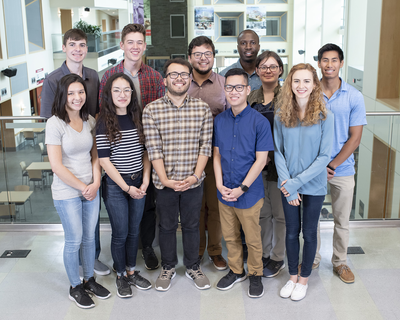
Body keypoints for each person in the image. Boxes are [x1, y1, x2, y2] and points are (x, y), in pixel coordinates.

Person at [41, 28, 110, 276]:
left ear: (87, 49)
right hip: (67, 158)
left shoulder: (93, 75)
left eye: (82, 45)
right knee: (75, 236)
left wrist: (94, 180)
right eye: (72, 45)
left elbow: (96, 116)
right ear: (64, 47)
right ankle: (76, 276)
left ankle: (91, 264)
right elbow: (50, 120)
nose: (77, 50)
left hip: (88, 146)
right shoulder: (52, 79)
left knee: (90, 232)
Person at [143, 58, 213, 292]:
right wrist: (164, 180)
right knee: (167, 226)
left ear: (190, 79)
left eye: (184, 74)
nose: (179, 78)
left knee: (193, 225)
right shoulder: (151, 110)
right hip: (165, 183)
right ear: (165, 80)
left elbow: (206, 146)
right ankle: (168, 267)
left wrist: (195, 176)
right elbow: (154, 149)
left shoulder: (202, 108)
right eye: (174, 74)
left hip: (194, 181)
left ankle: (193, 266)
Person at [100, 23, 165, 270]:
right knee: (122, 218)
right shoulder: (109, 76)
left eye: (140, 42)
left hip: (146, 153)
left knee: (148, 206)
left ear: (144, 46)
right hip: (118, 157)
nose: (135, 47)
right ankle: (124, 263)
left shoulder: (154, 76)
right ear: (122, 45)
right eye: (130, 42)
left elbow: (159, 114)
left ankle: (146, 247)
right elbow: (103, 113)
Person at [45, 74, 111, 308]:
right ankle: (75, 285)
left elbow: (95, 156)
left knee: (90, 237)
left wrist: (95, 183)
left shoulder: (90, 120)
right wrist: (83, 187)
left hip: (90, 189)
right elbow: (56, 165)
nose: (77, 97)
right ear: (63, 95)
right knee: (74, 240)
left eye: (80, 92)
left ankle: (89, 279)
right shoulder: (54, 123)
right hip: (67, 192)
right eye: (71, 93)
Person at [274, 63, 334, 301]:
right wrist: (287, 184)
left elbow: (324, 157)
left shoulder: (325, 116)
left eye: (306, 81)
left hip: (313, 186)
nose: (301, 86)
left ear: (314, 84)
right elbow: (278, 152)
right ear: (290, 84)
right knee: (291, 233)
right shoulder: (281, 115)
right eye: (296, 81)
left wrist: (295, 184)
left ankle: (304, 278)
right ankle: (291, 276)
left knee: (309, 234)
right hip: (287, 184)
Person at [214, 68, 273, 298]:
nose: (234, 91)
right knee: (230, 236)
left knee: (252, 237)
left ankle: (255, 273)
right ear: (224, 90)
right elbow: (216, 155)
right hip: (224, 191)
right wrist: (219, 184)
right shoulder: (219, 120)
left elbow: (261, 160)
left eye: (239, 87)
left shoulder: (260, 122)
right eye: (229, 87)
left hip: (248, 192)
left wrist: (242, 188)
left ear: (248, 90)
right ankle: (237, 271)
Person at [313, 43, 367, 283]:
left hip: (342, 169)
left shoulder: (354, 96)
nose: (329, 65)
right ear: (319, 63)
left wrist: (332, 165)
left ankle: (340, 262)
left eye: (334, 60)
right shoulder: (311, 92)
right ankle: (312, 259)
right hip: (313, 169)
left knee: (341, 221)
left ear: (341, 63)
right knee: (311, 218)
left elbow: (355, 138)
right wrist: (318, 166)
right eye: (325, 60)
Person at [96, 73, 152, 298]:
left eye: (126, 90)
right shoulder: (103, 121)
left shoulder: (138, 116)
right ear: (109, 94)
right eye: (117, 90)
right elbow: (104, 161)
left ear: (132, 93)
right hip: (116, 185)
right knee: (120, 233)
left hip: (139, 181)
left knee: (133, 231)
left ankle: (131, 271)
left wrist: (145, 180)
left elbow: (146, 152)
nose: (122, 94)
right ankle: (120, 275)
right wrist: (127, 187)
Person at [187, 36, 229, 271]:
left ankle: (215, 251)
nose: (203, 58)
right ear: (190, 57)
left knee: (214, 206)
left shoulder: (224, 84)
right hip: (187, 156)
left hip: (215, 156)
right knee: (194, 207)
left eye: (208, 54)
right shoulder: (182, 83)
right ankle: (196, 251)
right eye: (198, 54)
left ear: (214, 56)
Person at [247, 50, 286, 277]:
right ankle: (263, 252)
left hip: (281, 164)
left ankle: (277, 257)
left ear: (280, 70)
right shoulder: (251, 97)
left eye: (273, 66)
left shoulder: (289, 96)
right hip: (257, 164)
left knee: (280, 215)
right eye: (263, 66)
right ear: (257, 71)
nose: (268, 70)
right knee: (262, 213)